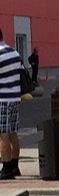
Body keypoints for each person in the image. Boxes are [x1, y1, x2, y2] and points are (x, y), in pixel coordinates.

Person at [0, 28, 22, 180]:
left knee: (2, 135)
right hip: (15, 97)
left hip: (2, 98)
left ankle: (6, 168)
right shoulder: (14, 53)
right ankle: (15, 165)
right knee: (13, 132)